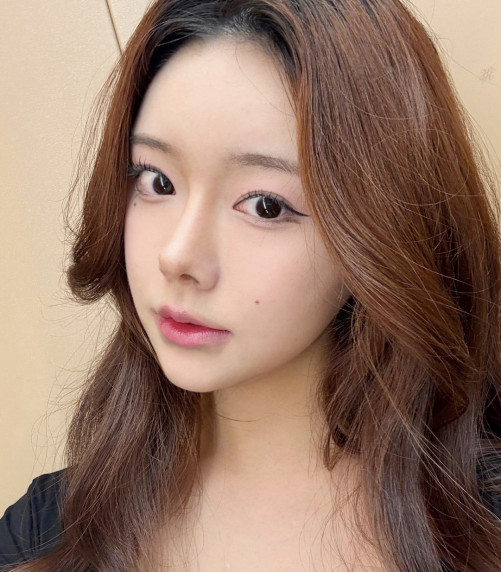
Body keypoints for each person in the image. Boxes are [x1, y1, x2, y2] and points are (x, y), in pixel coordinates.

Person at [1, 0, 500, 570]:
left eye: (266, 206)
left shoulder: (481, 525)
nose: (178, 255)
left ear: (380, 235)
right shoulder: (44, 533)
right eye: (157, 181)